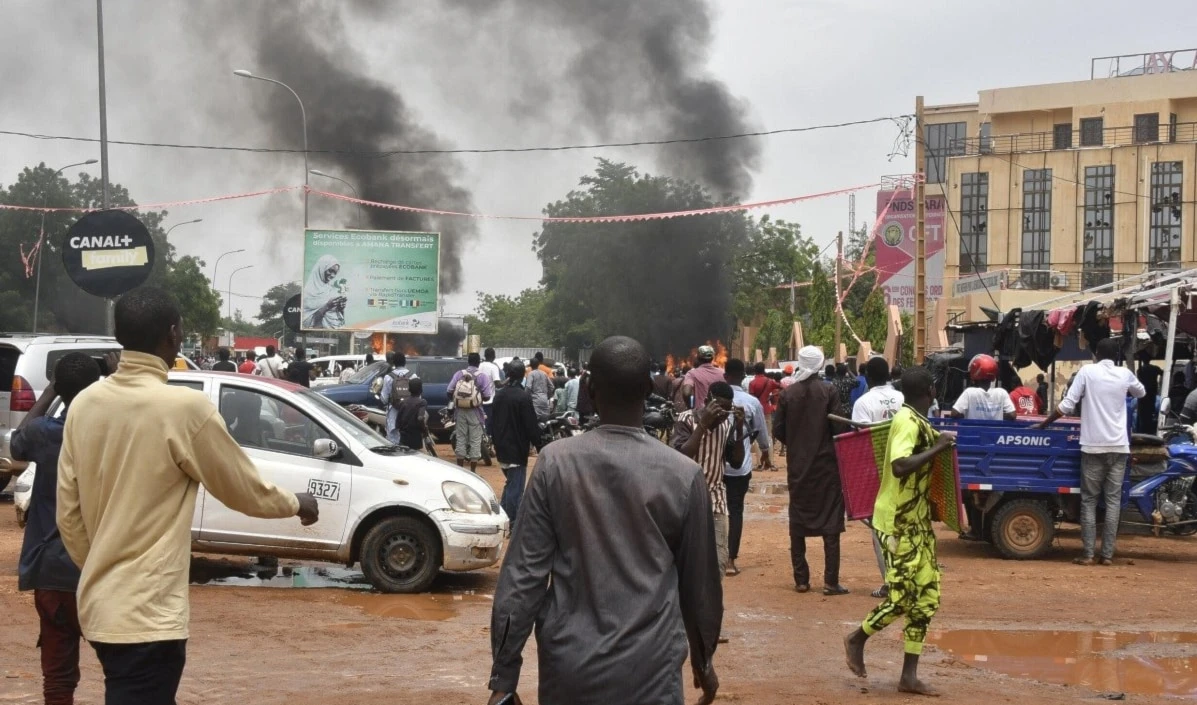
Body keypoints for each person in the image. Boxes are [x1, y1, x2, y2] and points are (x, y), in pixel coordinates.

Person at [57, 287, 319, 705]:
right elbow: (243, 490)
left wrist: (102, 569)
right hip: (149, 616)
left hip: (102, 607)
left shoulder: (85, 405)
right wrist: (296, 502)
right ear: (174, 335)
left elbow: (68, 513)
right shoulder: (185, 410)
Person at [487, 336, 722, 705]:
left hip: (569, 672)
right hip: (653, 673)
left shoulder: (554, 463)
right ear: (647, 390)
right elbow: (700, 588)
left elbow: (522, 577)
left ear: (590, 389)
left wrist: (504, 677)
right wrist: (703, 662)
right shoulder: (683, 474)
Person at [844, 367, 957, 696]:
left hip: (916, 522)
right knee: (905, 596)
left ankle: (909, 676)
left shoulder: (916, 420)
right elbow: (899, 465)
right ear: (932, 391)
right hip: (897, 522)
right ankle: (856, 638)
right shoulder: (907, 421)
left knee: (928, 597)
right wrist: (939, 448)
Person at [13, 353, 104, 705]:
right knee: (123, 669)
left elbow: (19, 439)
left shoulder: (45, 434)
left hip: (51, 567)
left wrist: (52, 390)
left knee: (58, 675)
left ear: (59, 388)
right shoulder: (109, 432)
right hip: (100, 567)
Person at [1037, 338, 1145, 565]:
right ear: (1117, 356)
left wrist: (1045, 423)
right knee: (1113, 502)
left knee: (1089, 501)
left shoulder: (1087, 372)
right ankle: (1106, 555)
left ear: (1095, 353)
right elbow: (1141, 392)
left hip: (1093, 447)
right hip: (1119, 447)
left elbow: (1067, 405)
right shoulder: (1124, 374)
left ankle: (1087, 554)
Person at [773, 346, 848, 596]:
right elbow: (838, 429)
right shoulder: (829, 391)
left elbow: (778, 430)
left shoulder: (788, 394)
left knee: (798, 521)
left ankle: (801, 579)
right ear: (819, 365)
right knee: (831, 524)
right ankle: (830, 581)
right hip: (827, 468)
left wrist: (796, 444)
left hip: (798, 467)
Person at [672, 382, 745, 578]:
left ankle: (711, 605)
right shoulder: (686, 419)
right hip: (686, 499)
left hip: (715, 498)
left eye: (727, 411)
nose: (722, 416)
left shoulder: (727, 425)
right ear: (707, 402)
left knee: (719, 562)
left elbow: (736, 462)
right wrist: (703, 426)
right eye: (719, 409)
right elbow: (680, 456)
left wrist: (738, 429)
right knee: (686, 561)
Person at [850, 356, 904, 599]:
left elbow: (861, 441)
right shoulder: (904, 398)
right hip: (907, 468)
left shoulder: (864, 402)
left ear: (868, 377)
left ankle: (890, 584)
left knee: (880, 529)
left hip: (878, 474)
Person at [723, 358, 770, 577]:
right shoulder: (751, 402)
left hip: (715, 466)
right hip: (740, 468)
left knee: (712, 511)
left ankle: (712, 557)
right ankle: (731, 560)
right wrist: (765, 453)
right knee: (736, 511)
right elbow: (761, 430)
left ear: (725, 376)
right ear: (743, 376)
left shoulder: (713, 400)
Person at [490, 360, 544, 522]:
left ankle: (503, 517)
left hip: (501, 448)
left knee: (511, 483)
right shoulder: (522, 397)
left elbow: (493, 422)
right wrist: (540, 445)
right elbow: (531, 425)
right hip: (517, 449)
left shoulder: (499, 395)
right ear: (522, 376)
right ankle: (512, 522)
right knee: (516, 488)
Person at [448, 352, 495, 472]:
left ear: (468, 362)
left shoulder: (459, 374)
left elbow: (449, 390)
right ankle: (473, 471)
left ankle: (460, 469)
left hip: (460, 412)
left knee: (461, 438)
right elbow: (487, 396)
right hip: (476, 412)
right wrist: (476, 398)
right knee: (475, 440)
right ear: (479, 363)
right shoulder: (482, 376)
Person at [951, 354, 1016, 421]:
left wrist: (965, 416)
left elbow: (954, 413)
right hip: (994, 431)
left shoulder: (969, 392)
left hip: (973, 431)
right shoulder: (1002, 393)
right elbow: (1012, 415)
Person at [747, 361, 780, 471]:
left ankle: (760, 464)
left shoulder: (752, 383)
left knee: (757, 437)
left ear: (755, 370)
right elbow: (783, 387)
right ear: (764, 369)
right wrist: (774, 395)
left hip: (755, 412)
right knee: (768, 436)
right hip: (766, 411)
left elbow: (751, 399)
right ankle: (770, 462)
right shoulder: (769, 381)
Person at [853, 356, 905, 424]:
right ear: (888, 375)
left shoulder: (861, 404)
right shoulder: (903, 398)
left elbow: (863, 433)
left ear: (867, 376)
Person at [301, 254, 347, 329]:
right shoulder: (307, 293)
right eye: (330, 271)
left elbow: (340, 319)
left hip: (337, 333)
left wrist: (341, 309)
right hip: (319, 335)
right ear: (321, 268)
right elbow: (306, 323)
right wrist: (327, 306)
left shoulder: (332, 290)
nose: (332, 275)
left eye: (335, 273)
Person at [381, 353, 415, 445]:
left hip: (393, 414)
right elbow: (418, 397)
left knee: (393, 443)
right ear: (405, 362)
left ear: (393, 363)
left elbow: (384, 398)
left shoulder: (388, 377)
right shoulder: (413, 376)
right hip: (409, 414)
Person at [681, 345, 725, 411]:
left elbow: (686, 393)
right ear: (712, 357)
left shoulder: (692, 374)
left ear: (698, 357)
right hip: (719, 413)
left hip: (701, 414)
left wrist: (690, 407)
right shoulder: (723, 373)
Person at [393, 378, 429, 452]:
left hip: (403, 437)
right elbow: (420, 418)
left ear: (409, 389)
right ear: (421, 390)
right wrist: (424, 430)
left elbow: (398, 422)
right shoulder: (422, 402)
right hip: (415, 437)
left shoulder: (403, 402)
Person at [1135, 351, 1163, 434]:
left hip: (1144, 396)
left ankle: (1143, 431)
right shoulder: (1154, 368)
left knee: (1143, 416)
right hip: (1151, 395)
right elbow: (1163, 373)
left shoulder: (1140, 370)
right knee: (1149, 414)